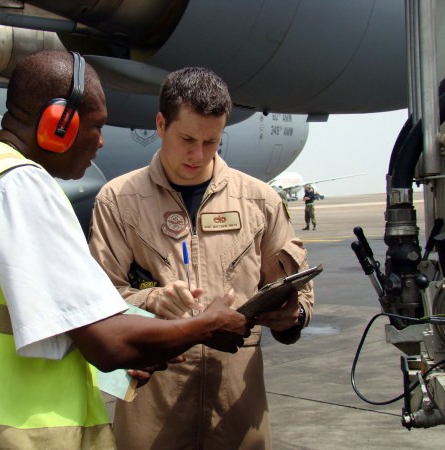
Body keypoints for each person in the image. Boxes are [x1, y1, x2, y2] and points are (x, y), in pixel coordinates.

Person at [0, 51, 249, 449]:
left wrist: (136, 350)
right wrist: (206, 325)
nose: (101, 141)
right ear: (58, 125)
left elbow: (50, 327)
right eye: (96, 126)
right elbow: (108, 342)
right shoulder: (20, 184)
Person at [88, 67, 314, 449]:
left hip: (237, 416)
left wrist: (293, 316)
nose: (198, 154)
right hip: (152, 413)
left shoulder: (260, 200)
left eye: (212, 142)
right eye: (187, 139)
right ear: (161, 124)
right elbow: (99, 302)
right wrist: (151, 299)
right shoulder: (118, 201)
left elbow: (298, 293)